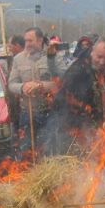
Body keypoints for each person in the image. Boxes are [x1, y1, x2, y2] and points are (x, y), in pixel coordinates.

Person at [52, 36, 105, 154]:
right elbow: (62, 100)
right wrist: (90, 126)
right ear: (92, 50)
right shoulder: (78, 70)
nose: (102, 62)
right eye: (99, 57)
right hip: (78, 130)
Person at [8, 27, 67, 156]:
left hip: (49, 112)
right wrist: (23, 87)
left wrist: (41, 85)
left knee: (49, 150)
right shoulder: (18, 59)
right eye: (26, 40)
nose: (27, 44)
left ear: (40, 40)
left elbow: (63, 81)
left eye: (30, 40)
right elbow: (11, 84)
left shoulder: (54, 56)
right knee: (27, 151)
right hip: (27, 113)